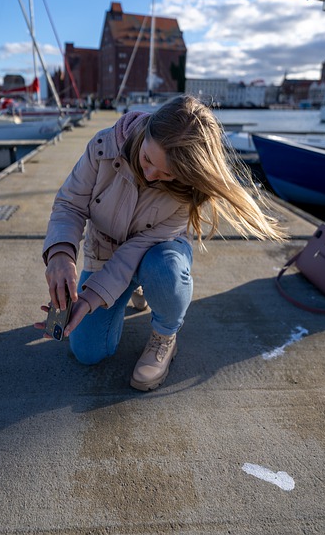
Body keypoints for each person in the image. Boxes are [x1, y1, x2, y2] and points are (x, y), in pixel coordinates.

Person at [35, 95, 285, 391]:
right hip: (104, 251)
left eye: (167, 174)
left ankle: (165, 334)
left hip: (157, 252)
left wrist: (90, 298)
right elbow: (70, 204)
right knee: (87, 352)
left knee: (163, 271)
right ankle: (136, 287)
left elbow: (133, 251)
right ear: (146, 132)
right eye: (147, 160)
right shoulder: (103, 146)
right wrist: (61, 254)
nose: (151, 176)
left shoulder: (187, 193)